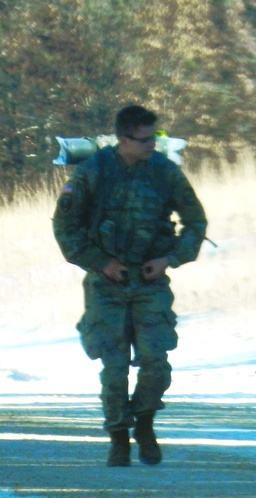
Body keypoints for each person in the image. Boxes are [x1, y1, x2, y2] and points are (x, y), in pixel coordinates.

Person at [53, 104, 208, 467]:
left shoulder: (165, 173)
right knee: (115, 365)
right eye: (143, 139)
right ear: (123, 138)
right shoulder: (93, 172)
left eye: (154, 137)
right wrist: (100, 262)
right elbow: (65, 227)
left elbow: (196, 221)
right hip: (107, 283)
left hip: (151, 282)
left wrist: (169, 259)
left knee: (156, 362)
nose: (151, 145)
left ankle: (145, 423)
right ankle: (119, 436)